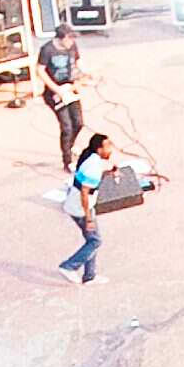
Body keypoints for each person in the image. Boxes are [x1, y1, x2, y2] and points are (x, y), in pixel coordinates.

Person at [61, 134, 115, 285]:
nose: (111, 149)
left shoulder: (91, 159)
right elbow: (84, 193)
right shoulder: (93, 167)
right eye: (108, 146)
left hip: (77, 205)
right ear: (99, 149)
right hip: (80, 209)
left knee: (91, 240)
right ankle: (69, 266)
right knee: (95, 241)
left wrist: (108, 172)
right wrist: (88, 218)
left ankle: (90, 276)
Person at [39, 25, 85, 171]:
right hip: (55, 92)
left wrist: (81, 78)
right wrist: (56, 89)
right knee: (66, 127)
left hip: (70, 88)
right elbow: (40, 70)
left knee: (78, 123)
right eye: (69, 38)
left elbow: (77, 63)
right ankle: (67, 161)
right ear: (61, 38)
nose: (72, 41)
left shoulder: (72, 46)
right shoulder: (47, 49)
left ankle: (70, 145)